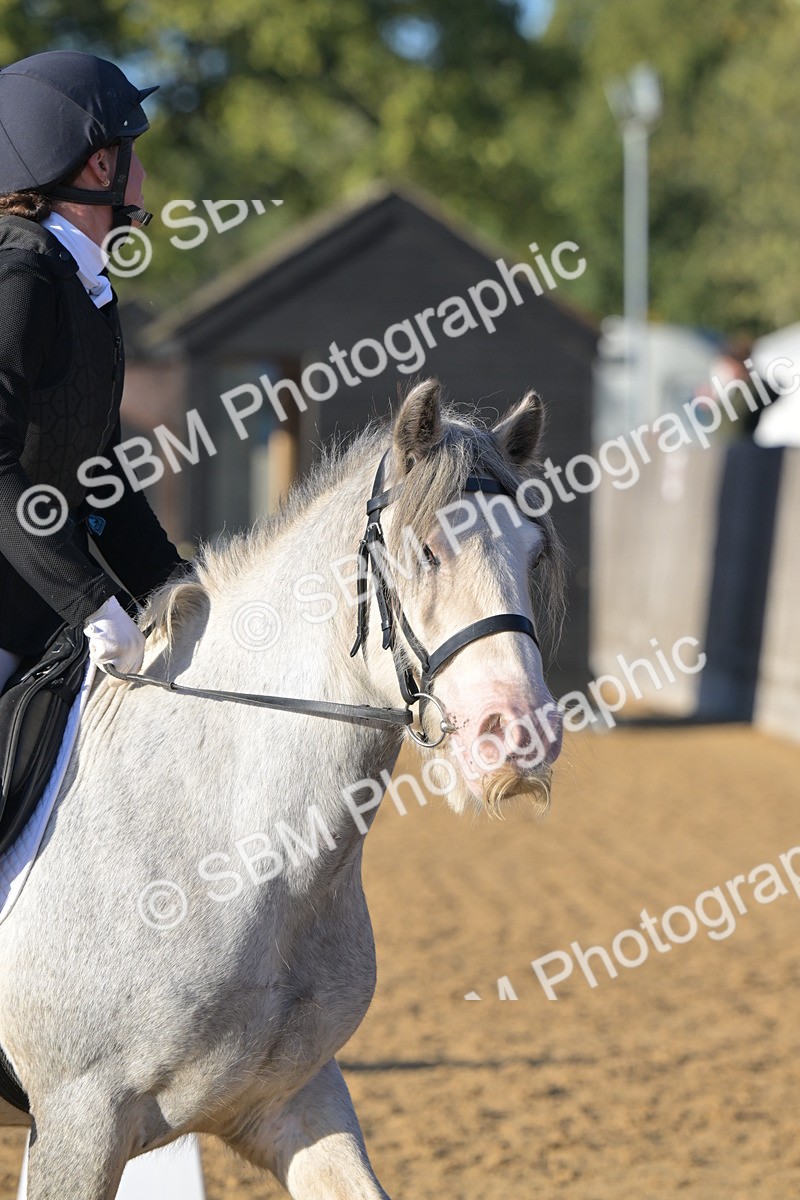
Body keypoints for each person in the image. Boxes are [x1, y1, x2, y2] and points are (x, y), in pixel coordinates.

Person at [0, 50, 187, 696]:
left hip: (42, 619)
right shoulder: (20, 278)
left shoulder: (85, 285)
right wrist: (91, 603)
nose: (146, 166)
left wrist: (175, 588)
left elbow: (97, 475)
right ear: (100, 164)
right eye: (132, 146)